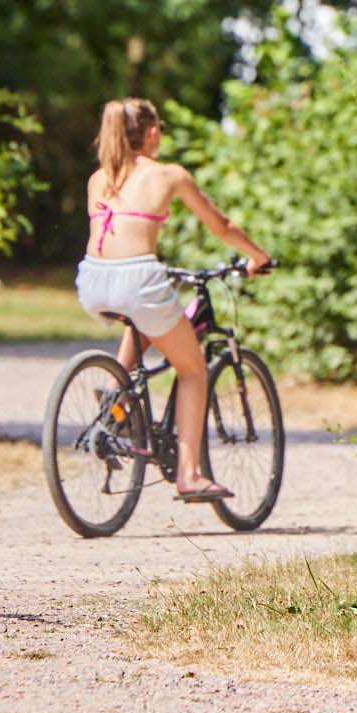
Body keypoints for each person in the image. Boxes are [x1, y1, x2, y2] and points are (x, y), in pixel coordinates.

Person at [76, 97, 271, 502]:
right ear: (151, 133)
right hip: (136, 279)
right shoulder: (169, 175)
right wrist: (258, 256)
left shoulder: (99, 178)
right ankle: (189, 474)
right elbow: (221, 225)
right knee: (194, 369)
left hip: (91, 280)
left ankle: (117, 399)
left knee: (142, 318)